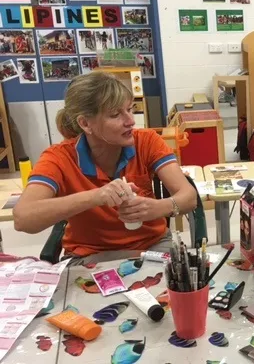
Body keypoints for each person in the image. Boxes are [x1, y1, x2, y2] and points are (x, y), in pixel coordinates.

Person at [13, 72, 197, 265]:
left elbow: (189, 197)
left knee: (179, 288)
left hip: (151, 247)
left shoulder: (146, 141)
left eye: (130, 109)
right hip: (89, 256)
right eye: (115, 114)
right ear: (85, 123)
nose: (130, 121)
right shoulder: (59, 157)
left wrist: (159, 208)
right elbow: (23, 218)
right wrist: (96, 196)